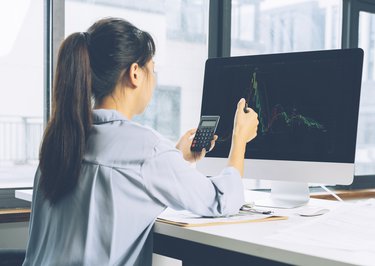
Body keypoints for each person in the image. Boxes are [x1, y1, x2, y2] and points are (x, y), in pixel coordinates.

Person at [23, 17, 258, 266]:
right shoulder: (147, 149)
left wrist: (175, 156)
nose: (154, 79)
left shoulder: (61, 143)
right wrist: (239, 139)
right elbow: (221, 200)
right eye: (152, 69)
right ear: (135, 73)